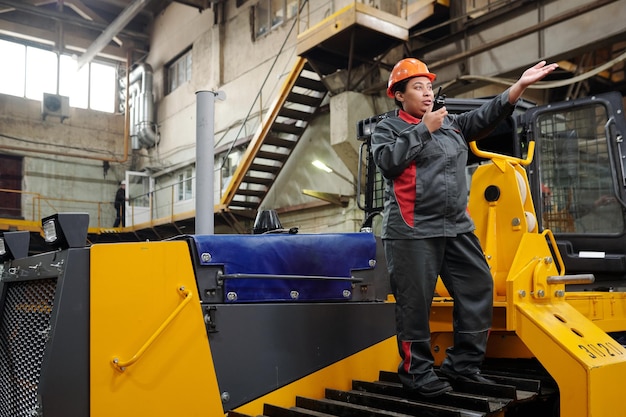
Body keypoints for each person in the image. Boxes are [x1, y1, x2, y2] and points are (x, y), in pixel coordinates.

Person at [371, 58, 558, 396]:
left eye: (429, 87)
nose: (427, 93)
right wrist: (422, 128)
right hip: (412, 230)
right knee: (415, 305)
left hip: (456, 227)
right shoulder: (389, 129)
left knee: (477, 286)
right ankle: (417, 374)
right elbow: (388, 162)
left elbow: (487, 116)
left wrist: (519, 86)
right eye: (418, 87)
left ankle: (463, 367)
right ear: (398, 95)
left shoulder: (452, 124)